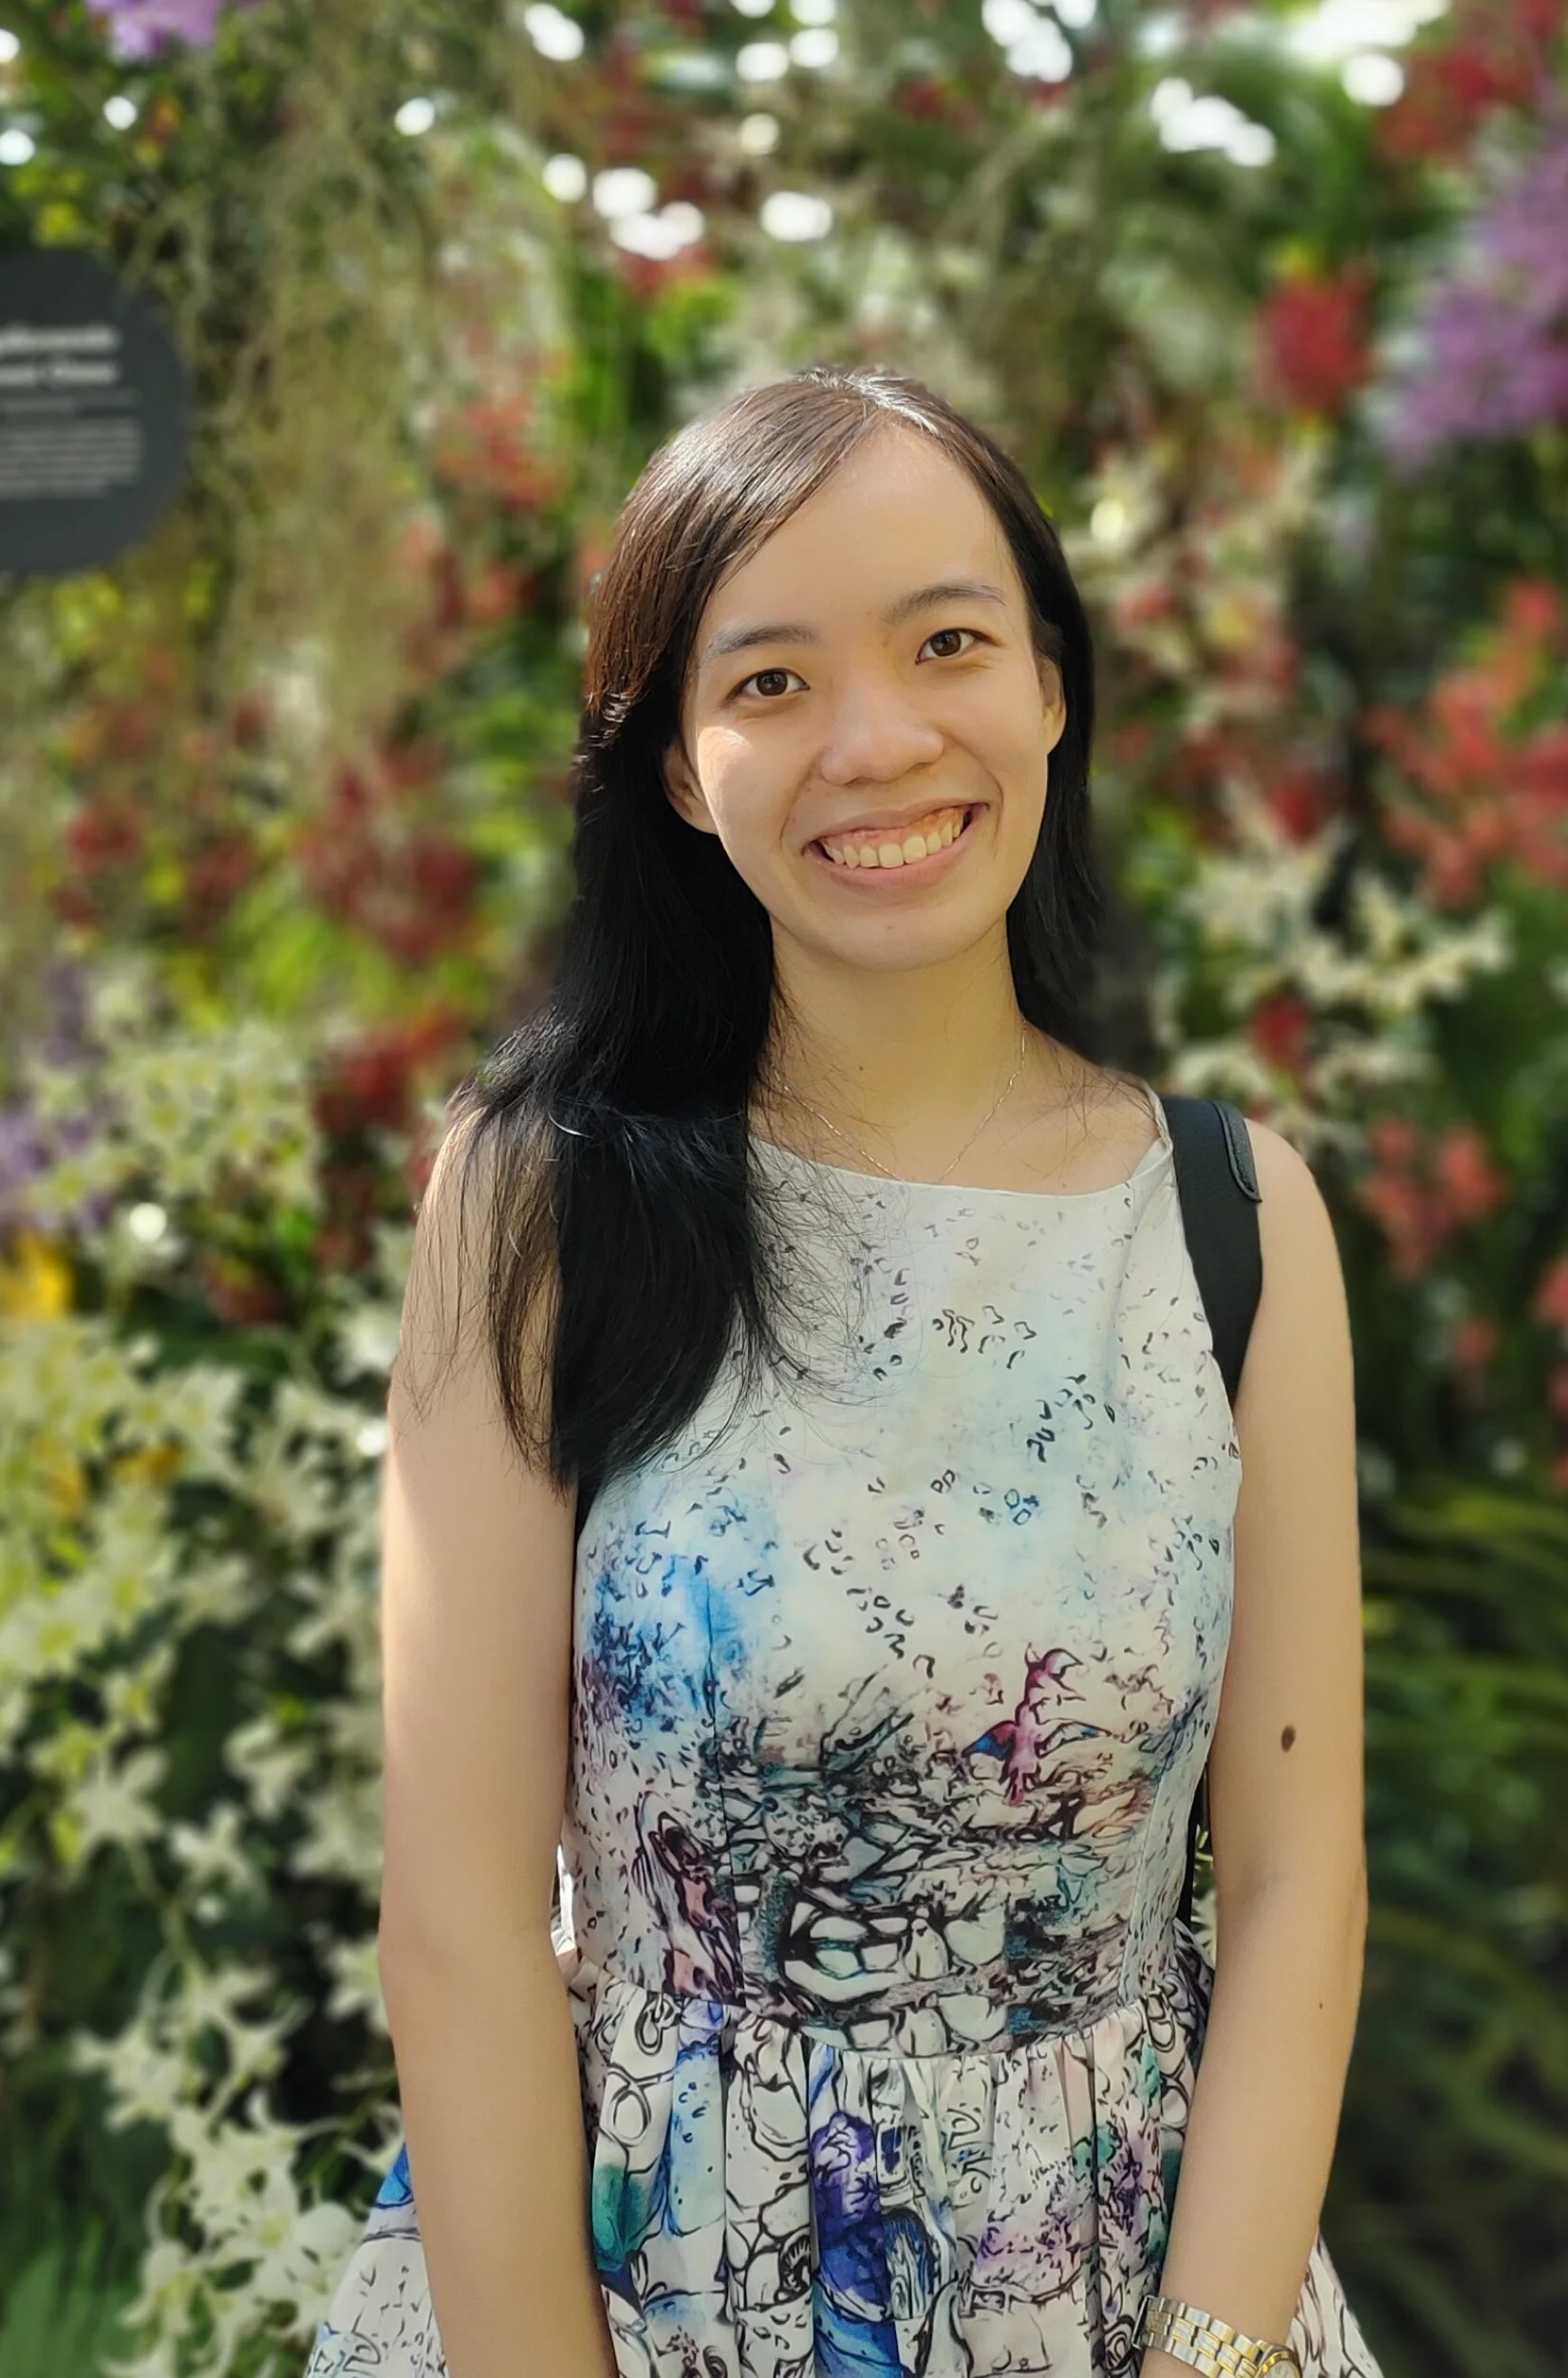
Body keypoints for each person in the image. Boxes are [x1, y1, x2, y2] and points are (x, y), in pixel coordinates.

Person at [304, 364, 1382, 2378]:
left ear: (1049, 685)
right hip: (632, 2292)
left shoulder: (1234, 1222)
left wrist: (1209, 2360)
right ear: (680, 768)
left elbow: (1297, 1878)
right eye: (773, 681)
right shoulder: (543, 1201)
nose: (877, 741)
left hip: (1132, 2299)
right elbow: (456, 1926)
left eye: (946, 644)